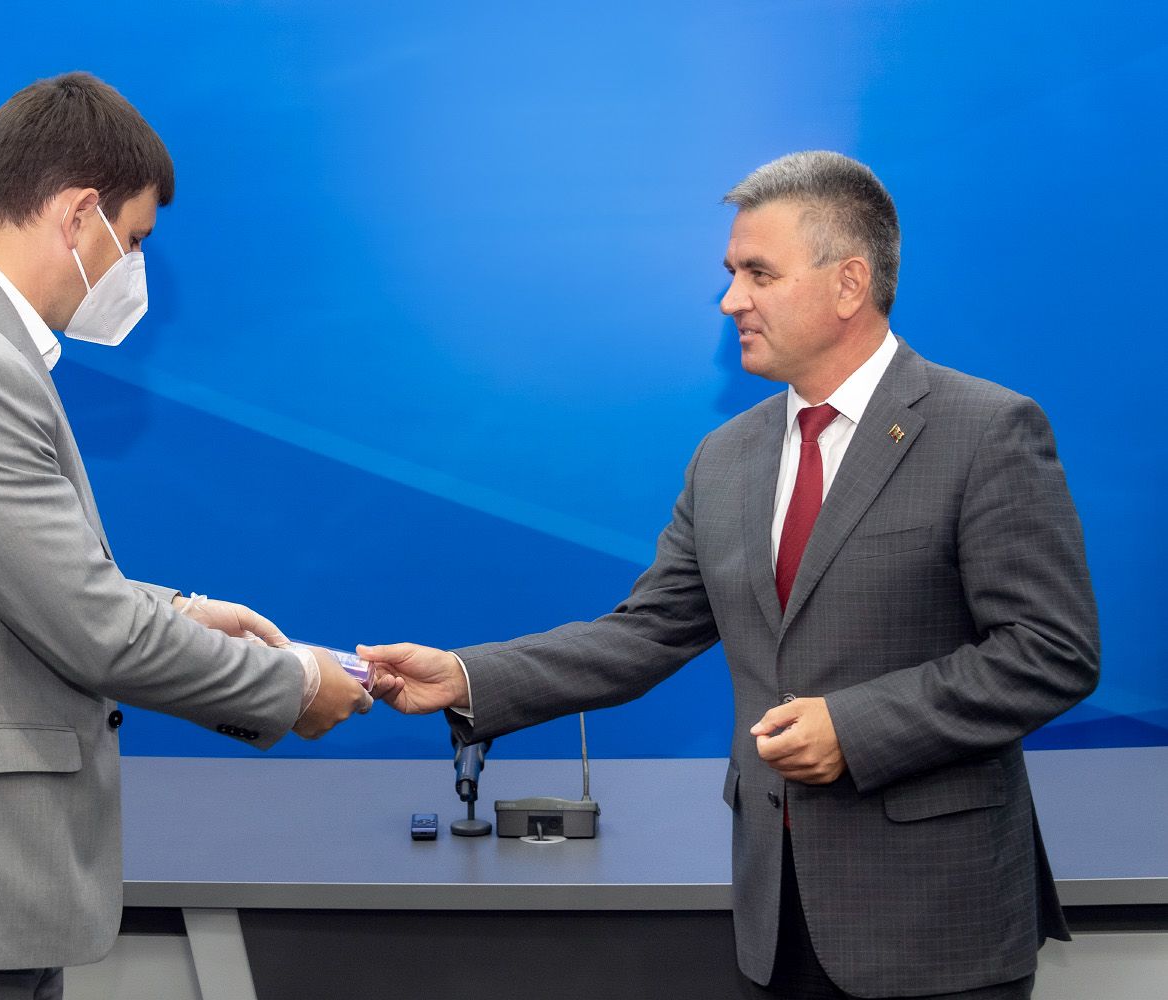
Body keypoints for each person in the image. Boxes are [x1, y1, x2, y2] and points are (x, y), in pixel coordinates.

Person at [364, 151, 1099, 999]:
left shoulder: (986, 431)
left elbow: (1050, 652)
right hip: (775, 921)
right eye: (731, 274)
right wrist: (463, 677)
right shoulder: (727, 457)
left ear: (849, 283)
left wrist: (855, 727)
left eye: (759, 274)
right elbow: (644, 635)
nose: (731, 301)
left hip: (940, 928)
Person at [0, 71, 372, 998]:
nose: (133, 269)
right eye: (133, 241)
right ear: (78, 214)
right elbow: (91, 629)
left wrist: (183, 612)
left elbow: (9, 580)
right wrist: (294, 685)